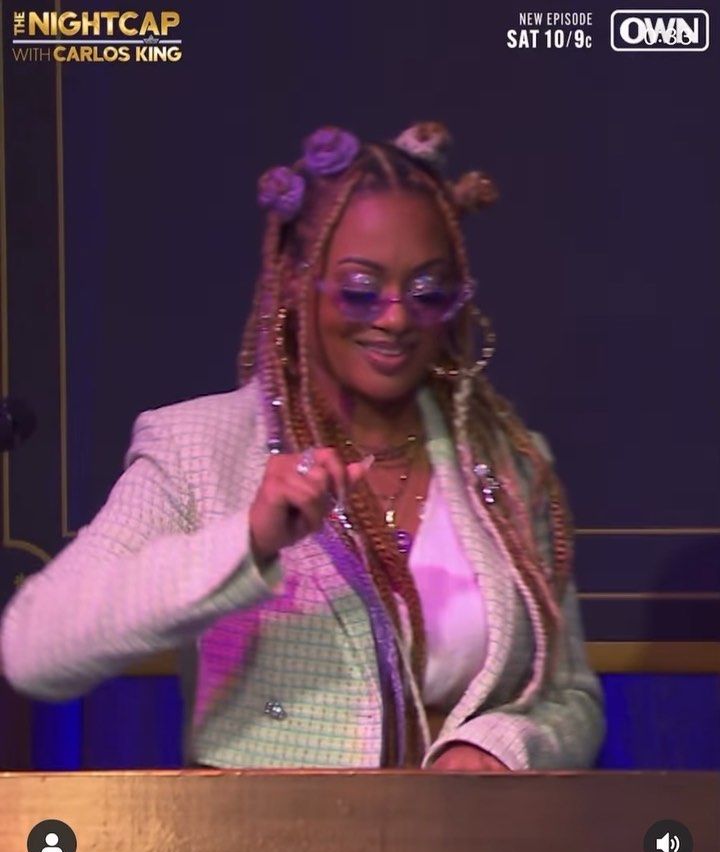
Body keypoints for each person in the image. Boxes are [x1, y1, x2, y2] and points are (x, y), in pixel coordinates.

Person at [0, 122, 604, 771]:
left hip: (465, 836)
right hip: (270, 831)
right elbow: (35, 647)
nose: (396, 317)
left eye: (428, 292)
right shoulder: (199, 448)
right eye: (360, 288)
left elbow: (570, 698)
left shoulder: (511, 462)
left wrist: (500, 747)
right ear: (296, 279)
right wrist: (249, 540)